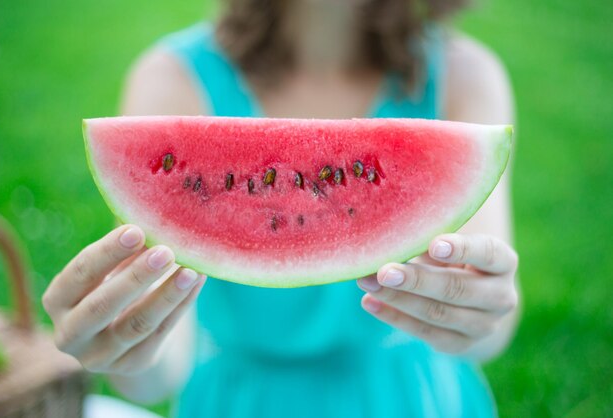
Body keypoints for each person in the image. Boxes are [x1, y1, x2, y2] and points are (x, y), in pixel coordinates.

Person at [43, 0, 519, 417]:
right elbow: (159, 368)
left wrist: (480, 316)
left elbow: (488, 329)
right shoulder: (170, 80)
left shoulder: (466, 77)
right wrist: (124, 349)